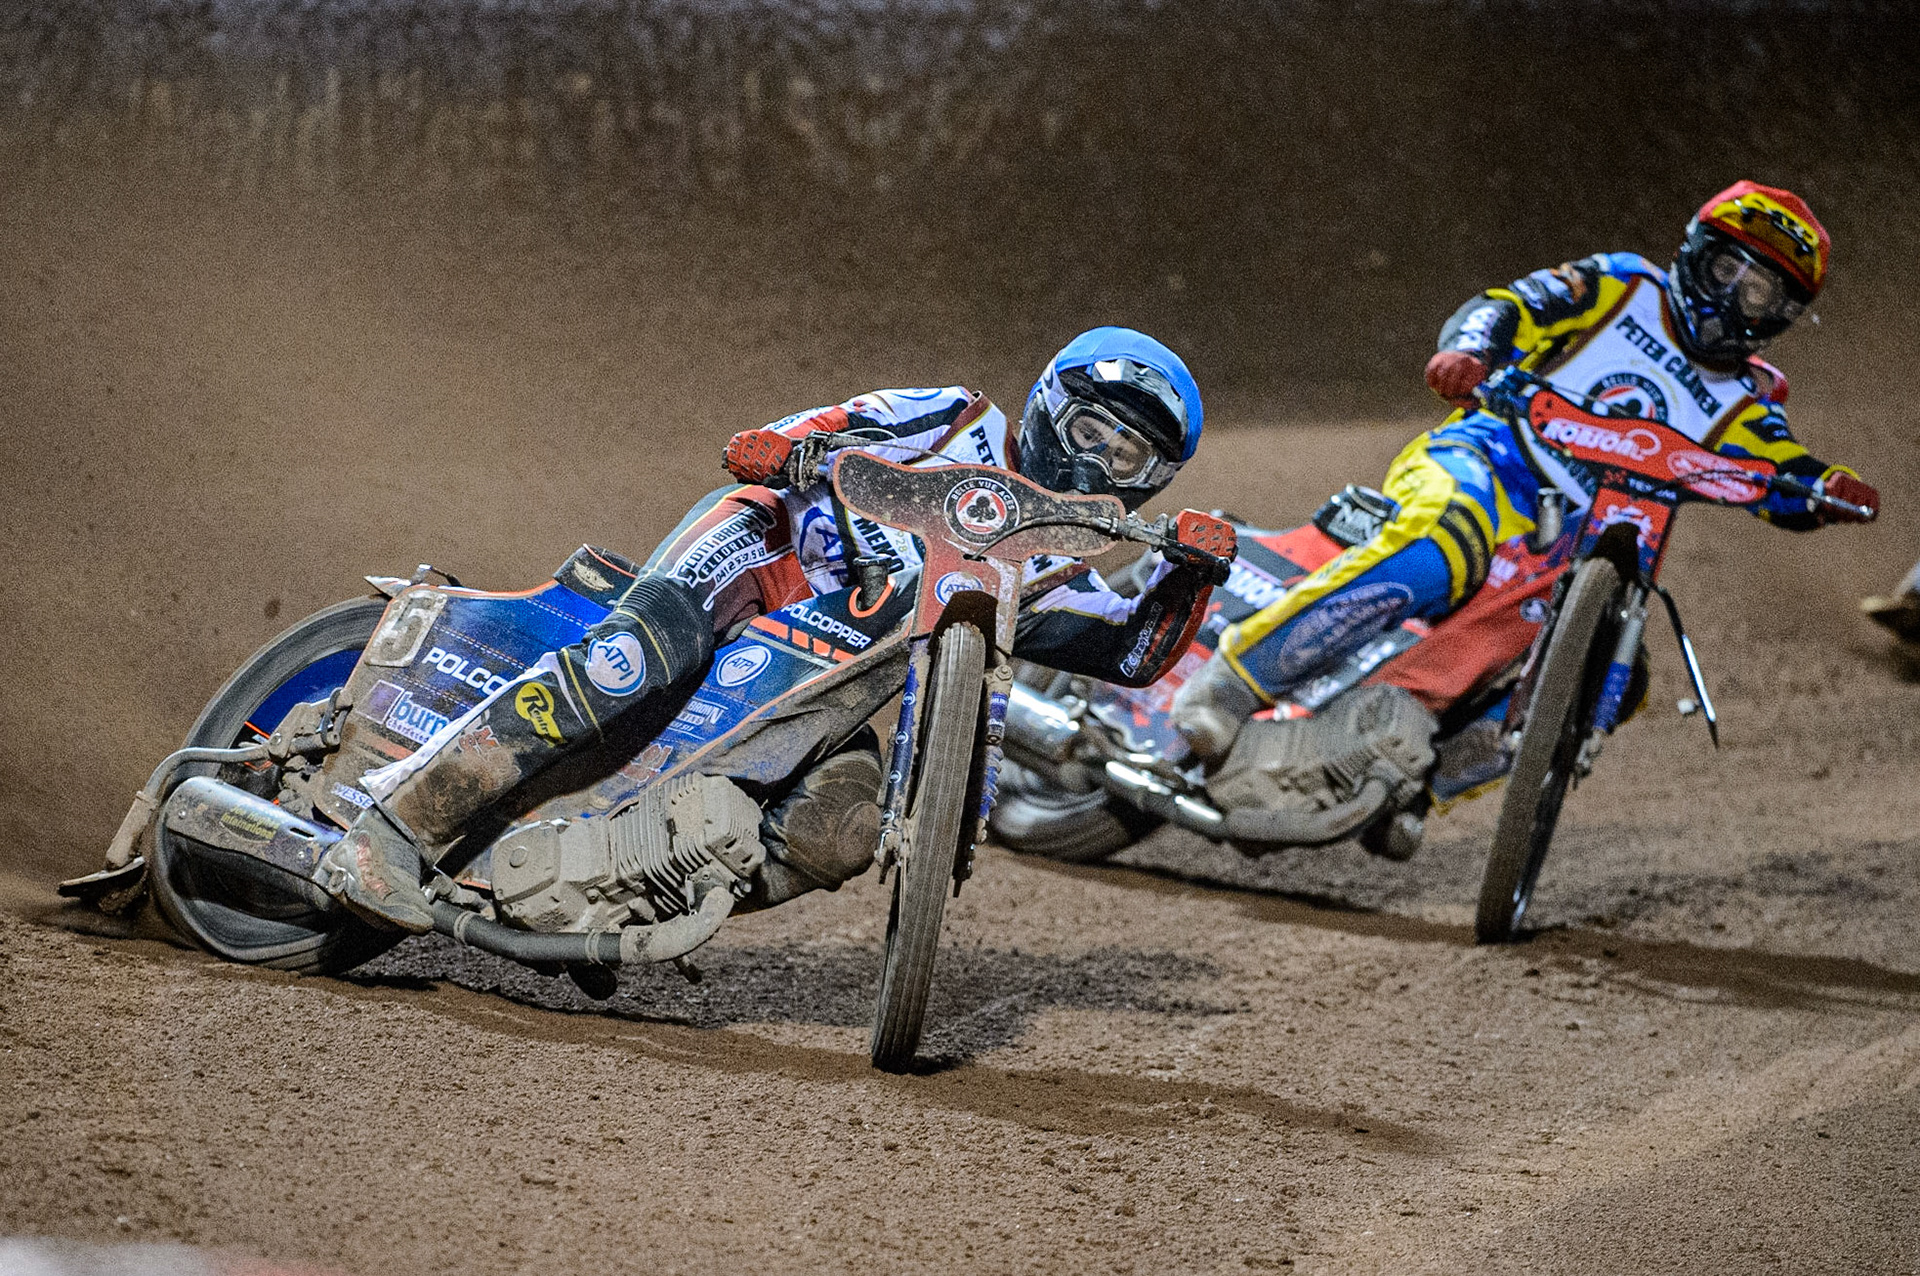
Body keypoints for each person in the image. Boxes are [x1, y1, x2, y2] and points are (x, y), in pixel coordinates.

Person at [319, 327, 1225, 931]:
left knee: (840, 825)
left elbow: (1135, 653)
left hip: (820, 686)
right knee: (636, 658)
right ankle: (390, 825)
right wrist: (782, 445)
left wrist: (1193, 573)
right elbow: (831, 422)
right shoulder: (958, 416)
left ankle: (613, 892)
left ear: (1151, 482)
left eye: (1126, 453)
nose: (1096, 458)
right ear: (1045, 404)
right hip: (760, 553)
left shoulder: (1061, 575)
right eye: (1092, 427)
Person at [1170, 180, 1881, 759]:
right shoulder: (1625, 286)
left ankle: (1418, 779)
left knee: (1615, 675)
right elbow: (1511, 306)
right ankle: (1232, 682)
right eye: (1729, 270)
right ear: (1697, 251)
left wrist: (1823, 491)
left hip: (1582, 539)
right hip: (1489, 457)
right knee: (1442, 546)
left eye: (1759, 292)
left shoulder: (1753, 395)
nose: (1733, 297)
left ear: (1782, 314)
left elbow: (1775, 466)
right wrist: (1472, 351)